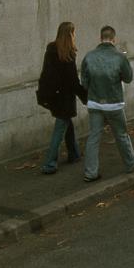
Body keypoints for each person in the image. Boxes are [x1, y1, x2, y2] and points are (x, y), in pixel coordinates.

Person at [79, 25, 134, 182]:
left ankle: (91, 172)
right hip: (114, 104)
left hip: (94, 103)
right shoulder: (119, 57)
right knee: (121, 134)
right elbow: (128, 78)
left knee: (94, 137)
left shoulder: (89, 56)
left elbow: (84, 82)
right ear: (113, 39)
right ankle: (131, 163)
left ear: (100, 38)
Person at [36, 21, 86, 173]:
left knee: (66, 123)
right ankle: (50, 163)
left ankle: (74, 153)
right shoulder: (68, 54)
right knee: (60, 128)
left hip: (53, 96)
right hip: (64, 98)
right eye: (74, 33)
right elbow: (73, 81)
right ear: (71, 34)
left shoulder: (51, 50)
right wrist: (86, 96)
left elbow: (46, 74)